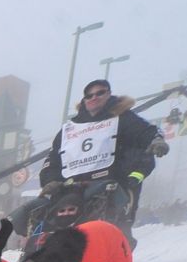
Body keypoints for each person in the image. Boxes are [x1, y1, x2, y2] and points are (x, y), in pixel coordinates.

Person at [39, 78, 161, 227]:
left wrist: (156, 142)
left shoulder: (124, 119)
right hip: (72, 191)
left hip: (114, 188)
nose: (94, 97)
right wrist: (50, 181)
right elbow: (54, 158)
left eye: (100, 93)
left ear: (109, 94)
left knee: (114, 230)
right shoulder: (70, 129)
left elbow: (146, 135)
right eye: (89, 95)